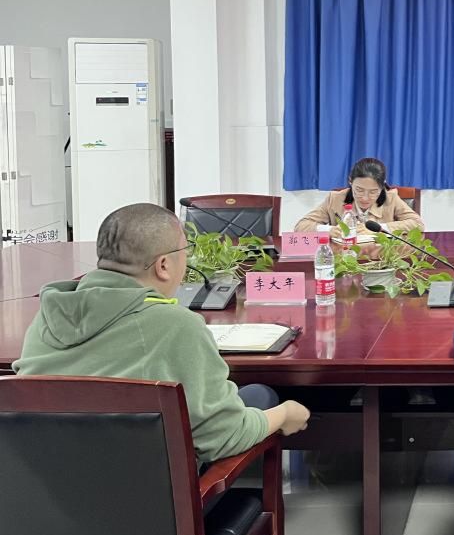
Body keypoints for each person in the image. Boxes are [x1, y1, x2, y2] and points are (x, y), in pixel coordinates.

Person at [15, 203, 310, 464]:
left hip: (49, 493)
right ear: (164, 265)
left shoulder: (48, 317)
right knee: (260, 395)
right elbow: (222, 437)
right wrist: (285, 414)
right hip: (153, 499)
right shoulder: (177, 325)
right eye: (185, 251)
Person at [295, 157, 423, 236]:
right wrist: (329, 230)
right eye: (359, 190)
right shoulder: (335, 199)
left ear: (382, 186)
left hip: (381, 259)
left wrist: (381, 229)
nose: (365, 198)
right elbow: (301, 226)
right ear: (350, 181)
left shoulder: (391, 198)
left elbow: (418, 224)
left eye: (373, 192)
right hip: (344, 259)